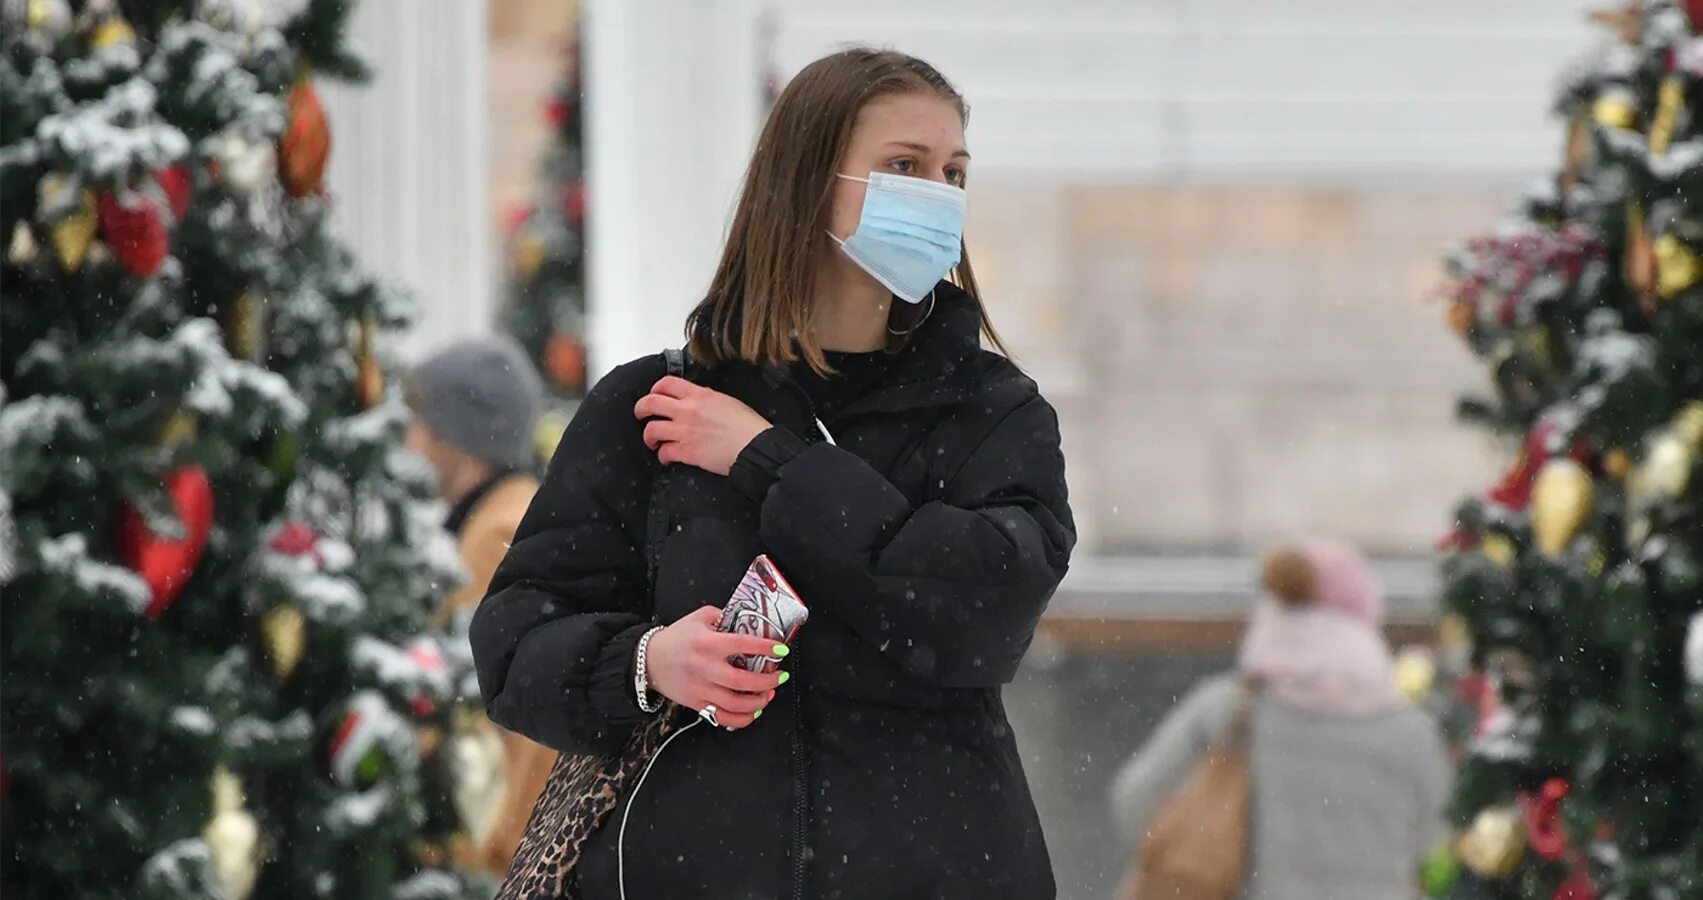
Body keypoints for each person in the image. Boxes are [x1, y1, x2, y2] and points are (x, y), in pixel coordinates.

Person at [470, 47, 1076, 899]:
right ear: (806, 182)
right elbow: (512, 644)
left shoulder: (993, 412)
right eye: (903, 167)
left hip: (937, 871)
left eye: (952, 173)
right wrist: (648, 662)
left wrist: (769, 461)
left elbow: (983, 611)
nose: (935, 195)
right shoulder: (654, 405)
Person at [1109, 540, 1452, 900]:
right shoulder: (1412, 732)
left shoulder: (1229, 710)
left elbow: (1134, 803)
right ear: (1364, 622)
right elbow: (1438, 844)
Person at [404, 335, 556, 875]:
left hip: (495, 858)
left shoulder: (495, 539)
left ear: (458, 436)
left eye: (422, 420)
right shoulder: (510, 516)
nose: (411, 439)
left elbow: (508, 729)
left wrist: (490, 858)